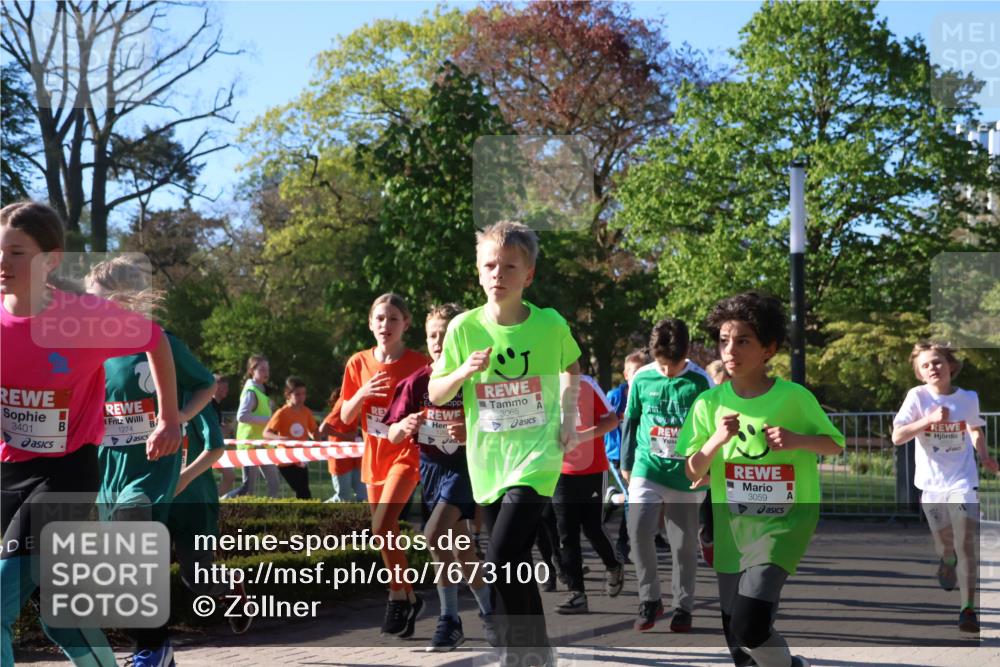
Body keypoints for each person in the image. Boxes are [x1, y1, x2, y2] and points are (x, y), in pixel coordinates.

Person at [1, 201, 181, 667]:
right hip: (8, 473)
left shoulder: (82, 320)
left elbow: (155, 339)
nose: (2, 263)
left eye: (16, 252)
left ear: (51, 260)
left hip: (64, 476)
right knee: (59, 617)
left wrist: (169, 417)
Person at [430, 220, 581, 667]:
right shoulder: (462, 328)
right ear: (478, 272)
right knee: (512, 560)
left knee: (498, 557)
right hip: (489, 461)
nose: (498, 274)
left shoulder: (550, 324)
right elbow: (438, 392)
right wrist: (462, 372)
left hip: (537, 456)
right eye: (490, 265)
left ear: (528, 275)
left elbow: (571, 367)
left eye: (509, 266)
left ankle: (520, 653)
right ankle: (540, 653)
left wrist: (567, 416)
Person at [678, 292, 845, 667]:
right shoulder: (708, 404)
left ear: (769, 348)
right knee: (739, 644)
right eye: (724, 341)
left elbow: (835, 445)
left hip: (784, 522)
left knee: (750, 623)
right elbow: (692, 471)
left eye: (743, 341)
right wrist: (716, 440)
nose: (730, 350)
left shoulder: (794, 397)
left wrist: (798, 440)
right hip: (732, 527)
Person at [87, 256, 218, 665]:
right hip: (111, 465)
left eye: (96, 300)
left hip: (153, 461)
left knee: (132, 531)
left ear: (124, 299)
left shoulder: (159, 342)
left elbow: (207, 384)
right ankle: (152, 649)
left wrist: (174, 419)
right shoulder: (92, 351)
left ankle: (154, 647)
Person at [384, 303, 496, 651]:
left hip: (466, 468)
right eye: (432, 335)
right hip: (432, 469)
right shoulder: (417, 382)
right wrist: (403, 426)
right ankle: (491, 612)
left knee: (434, 533)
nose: (437, 341)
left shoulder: (477, 379)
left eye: (445, 335)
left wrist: (472, 429)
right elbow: (391, 433)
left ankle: (449, 620)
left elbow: (500, 424)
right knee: (461, 551)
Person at [891, 342, 998, 633]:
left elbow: (974, 428)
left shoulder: (967, 398)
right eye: (925, 365)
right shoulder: (917, 397)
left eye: (937, 362)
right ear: (919, 373)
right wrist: (928, 420)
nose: (932, 368)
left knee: (966, 543)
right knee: (945, 544)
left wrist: (985, 455)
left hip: (963, 479)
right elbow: (897, 436)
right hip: (931, 483)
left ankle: (968, 610)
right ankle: (946, 559)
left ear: (950, 365)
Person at [340, 293, 428, 638]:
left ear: (406, 323)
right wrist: (362, 393)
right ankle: (408, 595)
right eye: (379, 318)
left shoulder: (420, 363)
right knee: (385, 534)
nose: (385, 325)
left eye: (393, 319)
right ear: (370, 323)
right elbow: (345, 418)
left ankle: (396, 596)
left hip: (406, 455)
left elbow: (437, 403)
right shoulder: (357, 362)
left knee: (381, 526)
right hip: (374, 456)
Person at [620, 319, 713, 632]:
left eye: (673, 365)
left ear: (686, 352)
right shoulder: (642, 378)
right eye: (662, 364)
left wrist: (709, 470)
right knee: (637, 530)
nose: (668, 371)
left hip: (686, 474)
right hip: (649, 466)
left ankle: (683, 607)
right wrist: (626, 462)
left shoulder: (700, 383)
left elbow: (713, 432)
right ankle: (649, 598)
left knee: (684, 545)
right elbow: (631, 421)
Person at [552, 375, 623, 615]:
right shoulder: (541, 382)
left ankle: (613, 565)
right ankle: (577, 593)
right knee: (566, 532)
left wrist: (583, 436)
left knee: (592, 527)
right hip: (558, 470)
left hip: (592, 467)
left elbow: (612, 420)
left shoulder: (587, 384)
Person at [603, 349, 649, 563]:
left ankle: (613, 500)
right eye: (635, 371)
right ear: (626, 374)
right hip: (615, 454)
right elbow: (603, 420)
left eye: (643, 371)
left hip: (638, 455)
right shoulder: (615, 396)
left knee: (635, 498)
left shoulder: (648, 394)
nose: (639, 375)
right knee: (633, 498)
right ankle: (623, 544)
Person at [224, 355, 280, 498]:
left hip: (262, 444)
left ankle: (268, 517)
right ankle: (223, 503)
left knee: (274, 484)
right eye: (262, 369)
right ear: (251, 371)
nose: (266, 372)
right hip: (250, 445)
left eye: (267, 369)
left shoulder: (260, 391)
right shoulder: (251, 391)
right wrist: (268, 420)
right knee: (247, 489)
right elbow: (241, 416)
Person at [264, 376, 317, 500]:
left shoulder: (306, 412)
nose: (301, 397)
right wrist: (279, 438)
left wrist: (318, 436)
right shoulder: (282, 413)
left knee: (304, 492)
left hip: (301, 458)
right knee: (302, 491)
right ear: (288, 395)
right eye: (297, 394)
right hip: (285, 460)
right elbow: (266, 433)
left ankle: (303, 516)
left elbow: (313, 431)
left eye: (303, 394)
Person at [319, 388, 366, 503]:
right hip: (340, 458)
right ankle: (316, 511)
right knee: (343, 497)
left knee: (364, 496)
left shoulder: (357, 399)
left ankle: (362, 520)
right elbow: (323, 428)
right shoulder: (343, 403)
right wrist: (346, 437)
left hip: (355, 457)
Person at [211, 374, 237, 497]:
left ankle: (211, 501)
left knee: (230, 476)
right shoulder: (209, 404)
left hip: (214, 449)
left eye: (227, 387)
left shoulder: (216, 405)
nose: (227, 389)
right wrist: (231, 426)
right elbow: (217, 431)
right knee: (229, 476)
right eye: (224, 386)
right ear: (215, 387)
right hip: (206, 449)